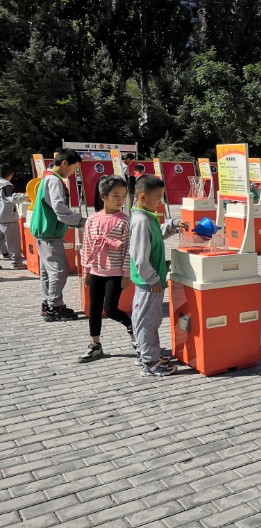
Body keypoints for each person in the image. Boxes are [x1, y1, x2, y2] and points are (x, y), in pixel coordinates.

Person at [130, 175, 186, 377]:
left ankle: (147, 354)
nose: (160, 202)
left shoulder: (146, 217)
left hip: (148, 282)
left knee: (144, 319)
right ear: (143, 197)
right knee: (149, 321)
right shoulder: (141, 221)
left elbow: (157, 235)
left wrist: (172, 225)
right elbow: (140, 256)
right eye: (158, 198)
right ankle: (150, 362)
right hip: (149, 283)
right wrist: (153, 279)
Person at [78, 176, 134, 363]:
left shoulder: (124, 221)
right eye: (116, 195)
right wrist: (86, 270)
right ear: (103, 196)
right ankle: (95, 344)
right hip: (96, 270)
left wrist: (126, 274)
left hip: (115, 272)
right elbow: (86, 245)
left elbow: (128, 249)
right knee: (94, 308)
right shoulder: (92, 220)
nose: (120, 200)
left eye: (123, 196)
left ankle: (131, 327)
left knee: (110, 309)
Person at [29, 148, 86, 321]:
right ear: (64, 163)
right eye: (73, 168)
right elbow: (59, 209)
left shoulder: (47, 178)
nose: (73, 173)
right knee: (59, 270)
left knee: (48, 271)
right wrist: (82, 221)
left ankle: (49, 303)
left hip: (44, 231)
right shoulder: (54, 181)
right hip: (49, 233)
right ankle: (54, 307)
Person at [0, 164, 25, 269]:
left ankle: (6, 254)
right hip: (8, 217)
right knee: (13, 241)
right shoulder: (6, 185)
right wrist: (26, 196)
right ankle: (16, 262)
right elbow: (13, 198)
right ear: (11, 174)